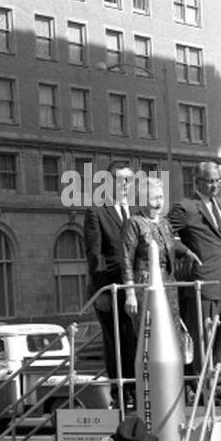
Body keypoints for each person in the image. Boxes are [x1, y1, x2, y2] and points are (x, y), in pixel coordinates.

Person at [169, 161, 221, 404]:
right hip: (204, 281)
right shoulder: (185, 207)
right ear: (197, 181)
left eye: (218, 181)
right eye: (210, 181)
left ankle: (220, 386)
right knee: (203, 339)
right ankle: (203, 389)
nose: (215, 185)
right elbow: (164, 233)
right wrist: (186, 252)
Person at [83, 163, 139, 406]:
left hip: (136, 287)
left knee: (136, 340)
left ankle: (138, 390)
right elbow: (95, 255)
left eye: (129, 180)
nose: (125, 186)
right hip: (111, 287)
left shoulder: (137, 211)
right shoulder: (96, 212)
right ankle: (122, 393)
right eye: (120, 180)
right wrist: (102, 291)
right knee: (118, 341)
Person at [122, 176, 195, 354]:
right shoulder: (134, 223)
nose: (159, 203)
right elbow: (126, 258)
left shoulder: (164, 222)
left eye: (161, 197)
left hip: (168, 282)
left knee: (172, 330)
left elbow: (169, 244)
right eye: (154, 198)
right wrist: (130, 292)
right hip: (145, 283)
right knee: (151, 332)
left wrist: (187, 251)